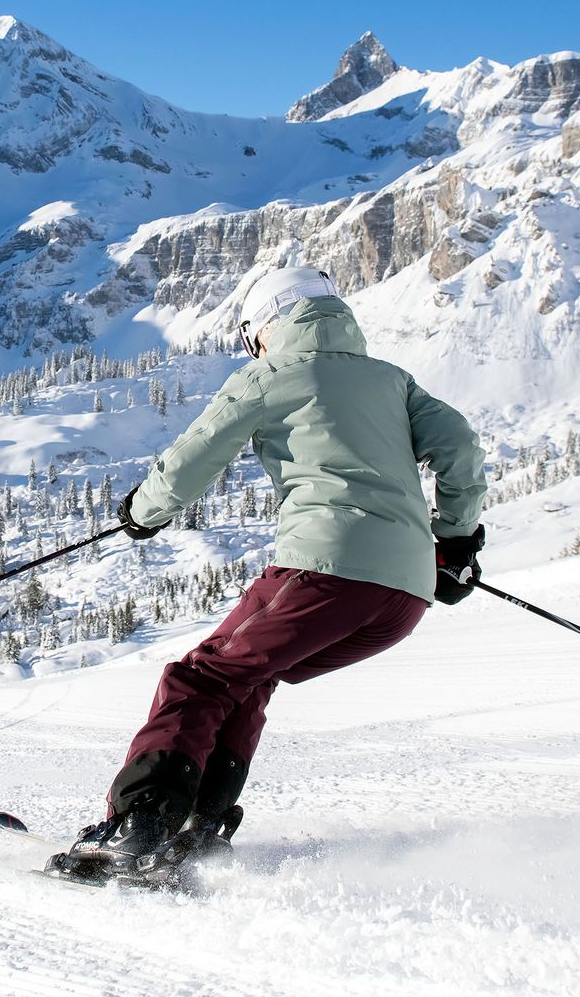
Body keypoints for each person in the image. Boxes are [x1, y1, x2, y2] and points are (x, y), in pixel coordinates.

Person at [50, 265, 488, 882]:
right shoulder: (394, 381)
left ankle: (140, 826)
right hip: (403, 599)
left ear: (270, 324)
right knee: (247, 681)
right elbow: (461, 448)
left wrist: (143, 513)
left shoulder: (270, 375)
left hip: (325, 569)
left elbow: (197, 451)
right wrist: (453, 541)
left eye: (251, 333)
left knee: (202, 678)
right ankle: (194, 833)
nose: (251, 345)